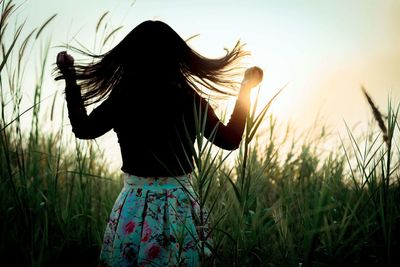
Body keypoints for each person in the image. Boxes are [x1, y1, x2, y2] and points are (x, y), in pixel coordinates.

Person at [56, 20, 263, 267]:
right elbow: (229, 140)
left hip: (134, 205)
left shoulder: (125, 97)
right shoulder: (186, 98)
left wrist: (70, 78)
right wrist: (245, 91)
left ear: (131, 56)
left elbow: (83, 129)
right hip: (180, 206)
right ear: (176, 57)